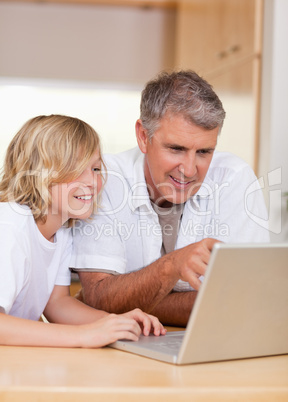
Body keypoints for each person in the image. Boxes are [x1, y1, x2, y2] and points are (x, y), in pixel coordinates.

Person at [71, 70, 270, 327]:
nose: (188, 169)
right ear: (144, 136)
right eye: (176, 149)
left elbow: (245, 299)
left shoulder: (234, 178)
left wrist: (129, 300)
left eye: (204, 151)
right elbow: (100, 297)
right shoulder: (103, 179)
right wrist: (172, 266)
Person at [0, 114, 166, 347]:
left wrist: (115, 322)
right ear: (39, 173)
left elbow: (57, 304)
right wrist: (83, 336)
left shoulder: (62, 230)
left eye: (96, 168)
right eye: (77, 169)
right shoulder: (10, 225)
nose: (92, 181)